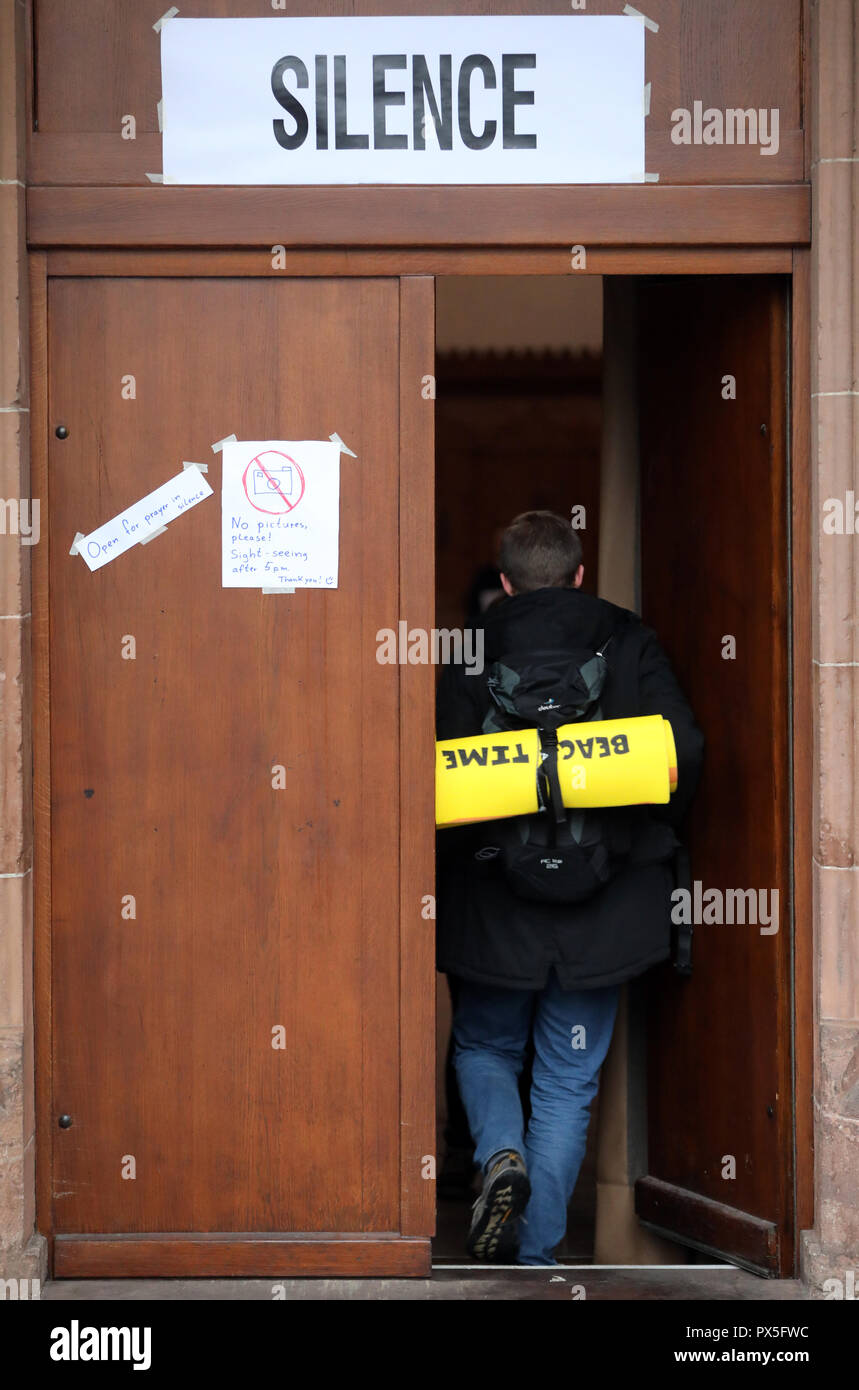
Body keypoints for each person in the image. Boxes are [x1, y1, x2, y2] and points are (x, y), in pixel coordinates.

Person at [435, 510, 705, 1265]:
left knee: (485, 1047)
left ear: (503, 581)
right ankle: (538, 1258)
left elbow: (429, 776)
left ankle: (497, 1155)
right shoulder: (630, 639)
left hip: (493, 905)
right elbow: (683, 758)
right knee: (564, 1081)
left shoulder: (467, 649)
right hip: (604, 908)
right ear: (581, 574)